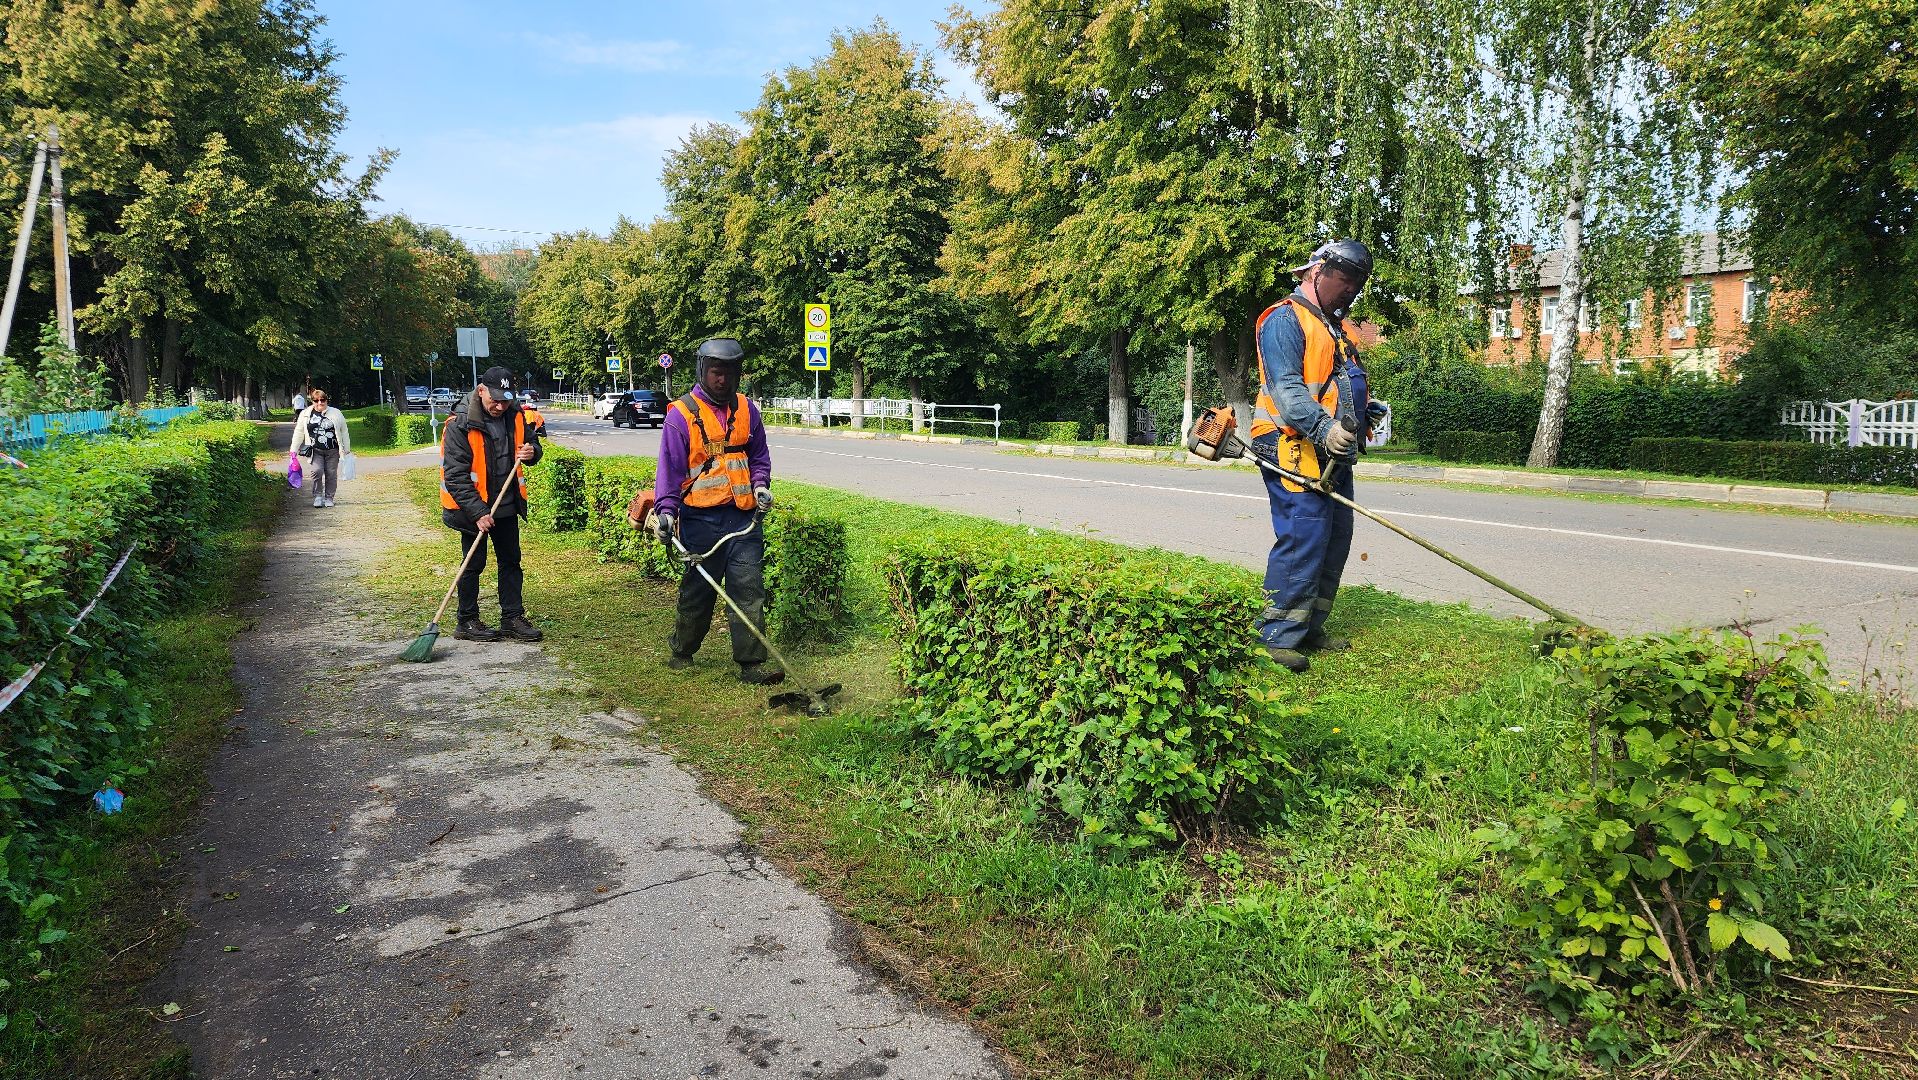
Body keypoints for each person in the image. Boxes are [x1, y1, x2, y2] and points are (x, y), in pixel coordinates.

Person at [1250, 239, 1386, 673]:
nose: (1350, 291)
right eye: (1344, 281)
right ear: (1317, 272)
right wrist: (1327, 429)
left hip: (1333, 450)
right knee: (1304, 536)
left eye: (1357, 285)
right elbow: (1289, 393)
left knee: (1335, 538)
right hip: (1292, 443)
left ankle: (1308, 626)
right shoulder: (1284, 320)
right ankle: (1274, 635)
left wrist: (1365, 411)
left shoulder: (1337, 327)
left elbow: (1337, 383)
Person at [648, 337, 781, 684]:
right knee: (699, 592)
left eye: (729, 374)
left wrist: (761, 485)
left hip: (742, 518)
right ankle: (682, 649)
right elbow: (670, 470)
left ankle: (751, 663)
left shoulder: (748, 410)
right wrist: (666, 512)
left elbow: (759, 457)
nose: (722, 380)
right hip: (700, 520)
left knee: (748, 589)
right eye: (716, 373)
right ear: (703, 371)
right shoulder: (681, 415)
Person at [440, 367, 545, 643]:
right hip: (472, 508)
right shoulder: (460, 423)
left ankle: (512, 617)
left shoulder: (516, 414)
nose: (500, 406)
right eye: (495, 400)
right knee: (473, 563)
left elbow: (532, 444)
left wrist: (532, 452)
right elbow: (455, 475)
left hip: (507, 503)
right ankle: (467, 620)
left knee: (511, 561)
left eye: (506, 400)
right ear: (481, 390)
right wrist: (477, 512)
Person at [290, 389, 351, 508]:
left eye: (322, 400)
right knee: (316, 471)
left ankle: (329, 497)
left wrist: (346, 448)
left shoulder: (336, 413)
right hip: (315, 450)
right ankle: (318, 496)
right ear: (312, 401)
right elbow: (299, 432)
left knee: (331, 474)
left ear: (326, 400)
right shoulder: (306, 414)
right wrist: (293, 450)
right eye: (316, 400)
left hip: (333, 450)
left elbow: (344, 431)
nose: (320, 403)